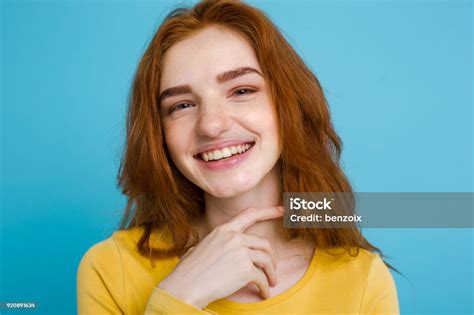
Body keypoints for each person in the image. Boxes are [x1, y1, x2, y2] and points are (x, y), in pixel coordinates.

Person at [77, 0, 400, 314]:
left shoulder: (360, 278)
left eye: (242, 91)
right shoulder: (111, 268)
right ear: (159, 134)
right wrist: (177, 297)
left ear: (290, 106)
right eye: (182, 105)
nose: (212, 124)